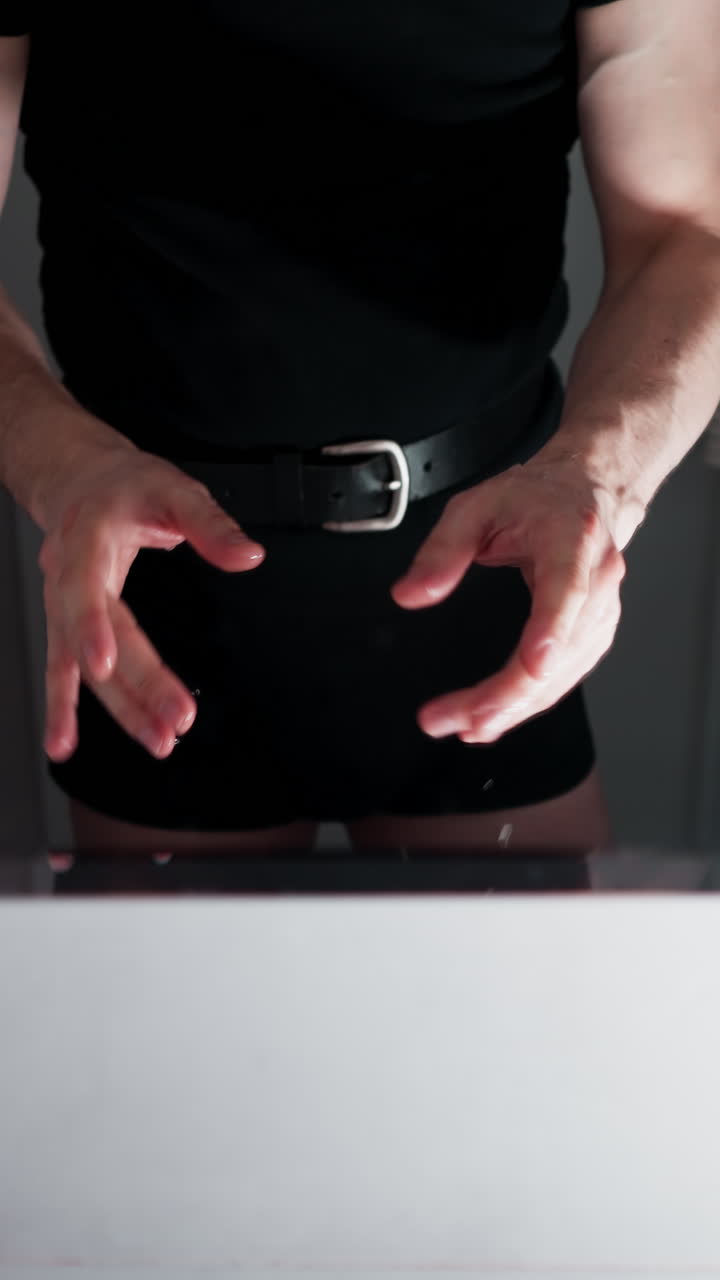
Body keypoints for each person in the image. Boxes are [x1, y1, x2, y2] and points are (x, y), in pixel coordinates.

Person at [1, 1, 719, 856]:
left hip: (493, 565)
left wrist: (599, 477)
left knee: (520, 948)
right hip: (148, 586)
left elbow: (686, 233)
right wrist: (62, 466)